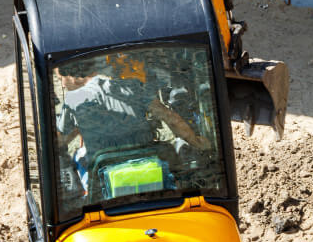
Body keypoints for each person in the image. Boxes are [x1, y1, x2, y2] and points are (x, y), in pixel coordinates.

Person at [55, 60, 211, 195]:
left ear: (72, 76)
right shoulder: (133, 87)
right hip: (149, 170)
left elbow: (60, 142)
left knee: (78, 156)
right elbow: (171, 119)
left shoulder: (73, 99)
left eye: (61, 78)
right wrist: (197, 142)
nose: (62, 84)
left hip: (105, 177)